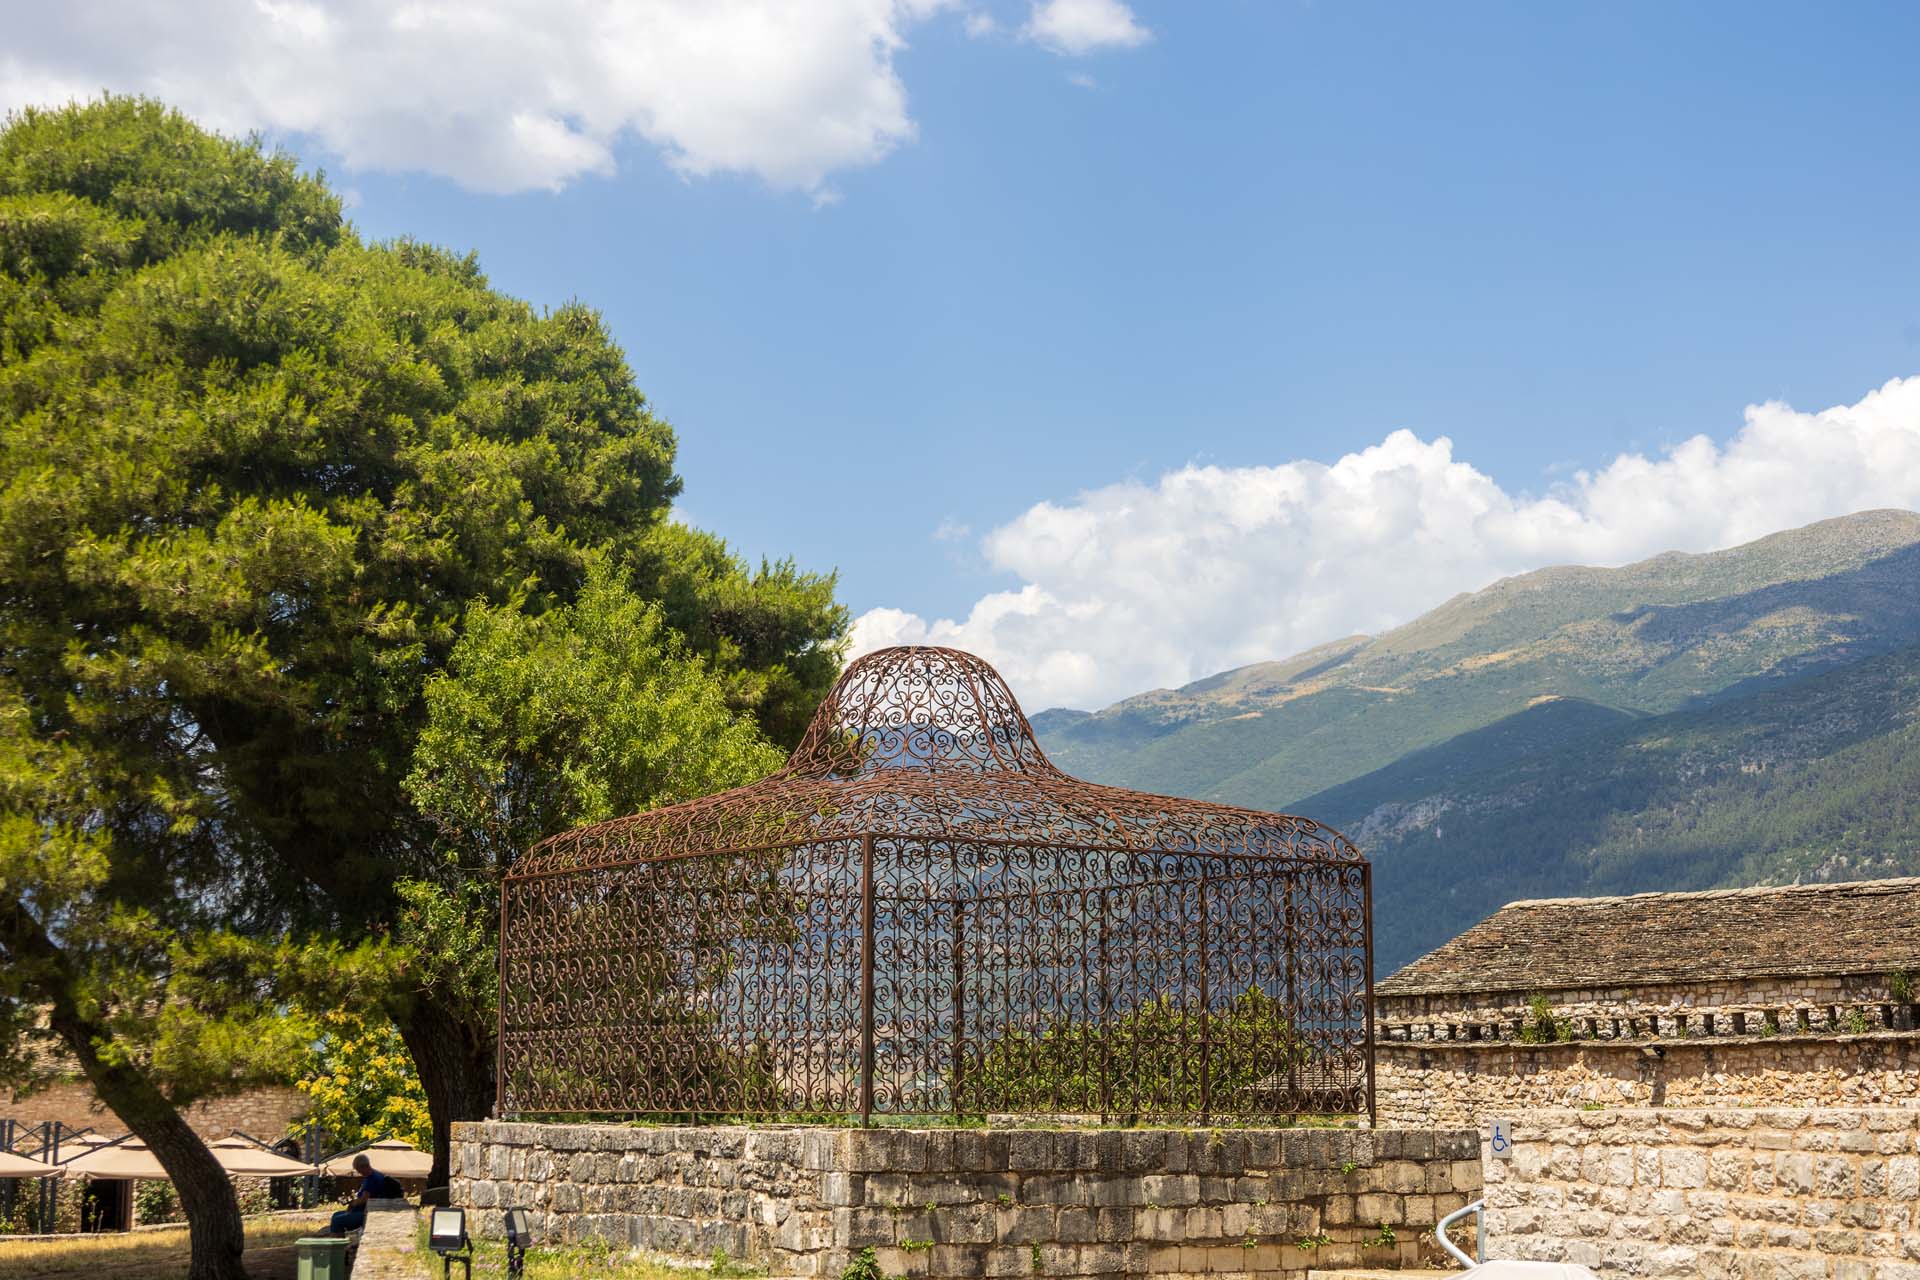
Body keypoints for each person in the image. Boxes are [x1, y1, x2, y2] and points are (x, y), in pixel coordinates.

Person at [328, 1153, 406, 1236]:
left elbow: (364, 1199)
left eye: (358, 1169)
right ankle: (338, 1237)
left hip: (367, 1212)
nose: (359, 1172)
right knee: (336, 1215)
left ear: (363, 1167)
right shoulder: (374, 1175)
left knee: (337, 1220)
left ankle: (336, 1244)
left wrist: (352, 1203)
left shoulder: (372, 1179)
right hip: (366, 1209)